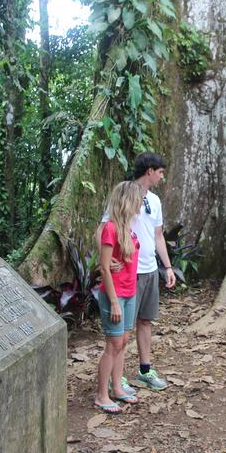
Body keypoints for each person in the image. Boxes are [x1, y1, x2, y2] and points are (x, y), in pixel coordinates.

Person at [96, 152, 176, 394]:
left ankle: (144, 370)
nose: (162, 177)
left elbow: (158, 235)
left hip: (150, 269)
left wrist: (167, 266)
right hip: (128, 274)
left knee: (145, 321)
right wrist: (107, 262)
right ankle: (115, 379)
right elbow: (102, 231)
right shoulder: (124, 197)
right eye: (160, 172)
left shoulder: (155, 200)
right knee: (122, 333)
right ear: (149, 171)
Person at [94, 181, 142, 414]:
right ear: (127, 200)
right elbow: (104, 268)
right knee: (113, 345)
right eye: (137, 198)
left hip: (130, 293)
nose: (140, 202)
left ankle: (118, 388)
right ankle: (101, 395)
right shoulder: (110, 228)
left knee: (122, 343)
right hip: (115, 296)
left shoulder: (129, 228)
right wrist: (114, 301)